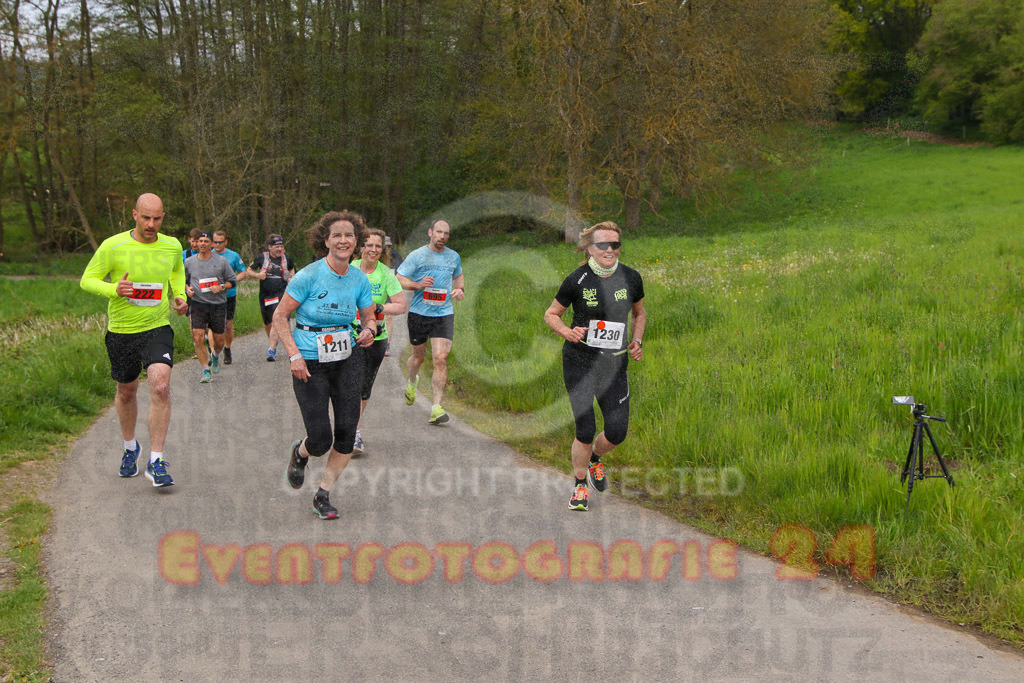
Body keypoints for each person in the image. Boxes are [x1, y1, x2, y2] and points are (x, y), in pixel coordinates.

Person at [80, 193, 188, 488]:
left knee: (160, 386)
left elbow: (176, 270)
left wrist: (179, 295)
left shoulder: (172, 245)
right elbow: (87, 279)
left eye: (157, 218)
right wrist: (114, 289)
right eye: (146, 218)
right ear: (134, 215)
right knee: (126, 391)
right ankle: (131, 448)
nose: (151, 224)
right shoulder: (113, 245)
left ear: (163, 217)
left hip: (157, 327)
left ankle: (156, 461)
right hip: (122, 331)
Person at [275, 211, 377, 520]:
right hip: (310, 361)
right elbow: (281, 316)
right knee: (320, 440)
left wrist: (369, 330)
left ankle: (323, 494)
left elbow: (369, 317)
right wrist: (294, 355)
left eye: (349, 236)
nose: (343, 241)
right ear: (326, 241)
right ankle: (300, 452)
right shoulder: (308, 276)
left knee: (346, 433)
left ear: (356, 242)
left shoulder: (359, 279)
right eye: (337, 236)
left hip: (347, 358)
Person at [543, 221, 646, 512]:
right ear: (590, 248)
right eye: (603, 245)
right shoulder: (576, 280)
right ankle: (579, 486)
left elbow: (639, 313)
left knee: (617, 432)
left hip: (614, 364)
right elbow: (551, 314)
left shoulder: (631, 277)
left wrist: (637, 339)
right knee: (585, 429)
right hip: (580, 362)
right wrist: (568, 332)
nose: (610, 250)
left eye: (615, 244)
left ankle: (594, 459)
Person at [396, 219, 465, 425]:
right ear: (430, 232)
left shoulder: (453, 256)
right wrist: (417, 285)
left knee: (440, 358)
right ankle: (412, 381)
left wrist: (460, 289)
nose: (442, 236)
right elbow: (399, 278)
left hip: (444, 313)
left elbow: (459, 276)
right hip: (419, 313)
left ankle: (436, 407)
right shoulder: (417, 255)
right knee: (417, 358)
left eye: (446, 233)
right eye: (439, 232)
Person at [350, 228, 408, 455]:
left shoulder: (386, 274)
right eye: (369, 245)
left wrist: (378, 307)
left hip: (376, 338)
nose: (373, 250)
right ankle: (348, 426)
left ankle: (354, 431)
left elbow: (400, 305)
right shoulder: (350, 268)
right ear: (361, 247)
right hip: (347, 336)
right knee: (347, 383)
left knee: (363, 387)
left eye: (377, 246)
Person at [184, 232, 237, 383]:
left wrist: (221, 287)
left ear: (211, 244)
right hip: (198, 304)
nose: (202, 244)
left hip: (217, 305)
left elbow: (233, 281)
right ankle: (205, 371)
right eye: (200, 241)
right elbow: (184, 281)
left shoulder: (221, 261)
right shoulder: (189, 262)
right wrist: (187, 289)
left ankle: (215, 356)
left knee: (219, 340)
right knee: (198, 336)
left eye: (206, 241)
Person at [246, 234, 295, 361]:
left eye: (281, 246)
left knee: (277, 319)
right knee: (268, 323)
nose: (280, 249)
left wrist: (290, 278)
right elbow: (249, 271)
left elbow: (292, 270)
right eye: (277, 247)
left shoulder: (286, 258)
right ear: (269, 247)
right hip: (266, 295)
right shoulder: (262, 257)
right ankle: (274, 341)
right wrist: (257, 275)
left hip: (282, 294)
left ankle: (271, 350)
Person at [208, 230, 247, 364]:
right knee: (211, 325)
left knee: (228, 325)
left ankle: (227, 348)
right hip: (211, 296)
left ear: (225, 242)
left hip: (229, 295)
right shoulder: (207, 254)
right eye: (215, 242)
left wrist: (231, 281)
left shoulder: (233, 256)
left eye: (220, 242)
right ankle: (213, 353)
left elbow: (243, 273)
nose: (217, 245)